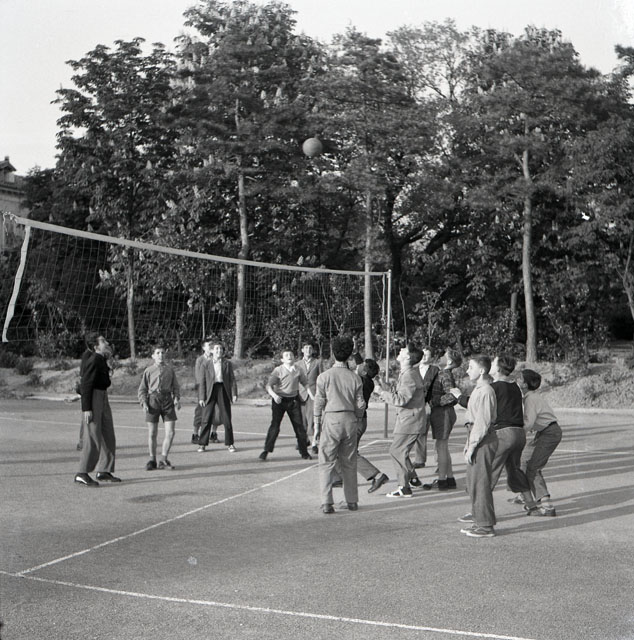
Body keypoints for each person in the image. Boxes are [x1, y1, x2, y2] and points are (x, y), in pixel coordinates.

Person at [313, 336, 366, 514]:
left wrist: (316, 425)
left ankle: (327, 502)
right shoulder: (355, 378)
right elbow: (361, 404)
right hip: (350, 419)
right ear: (349, 355)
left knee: (326, 461)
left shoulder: (324, 377)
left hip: (331, 419)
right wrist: (358, 419)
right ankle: (352, 500)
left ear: (333, 353)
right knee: (349, 462)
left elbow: (318, 402)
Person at [451, 355, 498, 537]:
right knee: (473, 482)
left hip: (483, 439)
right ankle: (479, 520)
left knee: (480, 483)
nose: (467, 370)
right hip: (476, 435)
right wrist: (468, 444)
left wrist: (472, 446)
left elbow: (482, 422)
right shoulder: (478, 389)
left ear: (482, 370)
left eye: (471, 367)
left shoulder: (486, 391)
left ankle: (485, 526)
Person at [376, 343, 426, 498]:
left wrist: (381, 393)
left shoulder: (409, 375)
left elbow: (402, 399)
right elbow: (402, 393)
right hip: (411, 419)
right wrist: (384, 387)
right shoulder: (408, 373)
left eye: (404, 350)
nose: (401, 350)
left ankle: (404, 487)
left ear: (408, 357)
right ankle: (413, 478)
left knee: (396, 451)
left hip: (409, 421)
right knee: (401, 451)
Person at [333, 356, 389, 493]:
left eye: (360, 366)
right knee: (341, 450)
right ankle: (339, 478)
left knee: (348, 452)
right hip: (360, 420)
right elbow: (357, 365)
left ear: (363, 371)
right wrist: (355, 351)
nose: (357, 366)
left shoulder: (360, 382)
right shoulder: (365, 380)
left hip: (356, 421)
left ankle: (377, 475)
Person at [514, 369, 563, 516]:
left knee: (533, 467)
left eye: (519, 379)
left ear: (525, 384)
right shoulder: (529, 397)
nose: (516, 380)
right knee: (523, 459)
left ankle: (547, 505)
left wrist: (517, 435)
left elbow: (528, 423)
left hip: (550, 433)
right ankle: (525, 494)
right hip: (543, 432)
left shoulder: (531, 399)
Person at [74, 333, 120, 487]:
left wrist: (109, 367)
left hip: (102, 396)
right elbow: (85, 384)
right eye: (103, 341)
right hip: (93, 398)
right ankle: (82, 473)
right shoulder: (93, 359)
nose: (107, 342)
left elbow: (104, 382)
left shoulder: (101, 359)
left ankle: (104, 470)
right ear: (95, 347)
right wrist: (87, 408)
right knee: (93, 436)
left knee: (108, 435)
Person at [260, 349, 313, 461]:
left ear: (294, 357)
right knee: (275, 426)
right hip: (280, 400)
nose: (289, 356)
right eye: (286, 355)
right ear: (282, 359)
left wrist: (312, 396)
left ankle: (304, 452)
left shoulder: (298, 370)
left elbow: (305, 384)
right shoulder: (278, 370)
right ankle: (266, 450)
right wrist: (274, 396)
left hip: (293, 401)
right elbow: (269, 386)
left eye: (291, 355)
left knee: (299, 427)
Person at [138, 344, 181, 470]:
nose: (160, 355)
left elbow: (175, 387)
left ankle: (163, 459)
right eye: (158, 353)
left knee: (171, 432)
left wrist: (176, 398)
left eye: (162, 353)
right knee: (152, 432)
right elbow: (142, 389)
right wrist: (144, 402)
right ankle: (152, 460)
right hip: (153, 400)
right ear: (153, 356)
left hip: (167, 400)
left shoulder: (170, 370)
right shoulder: (149, 370)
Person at [423, 348, 461, 490]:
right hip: (442, 412)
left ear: (449, 361)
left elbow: (452, 396)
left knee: (441, 447)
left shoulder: (445, 374)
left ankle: (442, 480)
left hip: (443, 412)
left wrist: (434, 402)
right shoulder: (444, 373)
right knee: (443, 446)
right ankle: (449, 478)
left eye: (444, 355)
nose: (440, 357)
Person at [197, 342, 238, 453]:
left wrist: (234, 393)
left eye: (221, 349)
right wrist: (201, 397)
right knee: (206, 418)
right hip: (210, 390)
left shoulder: (227, 363)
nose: (219, 351)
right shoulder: (205, 364)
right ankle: (202, 443)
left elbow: (232, 379)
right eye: (216, 349)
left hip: (222, 389)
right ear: (211, 351)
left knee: (226, 418)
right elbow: (202, 382)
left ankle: (230, 443)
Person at [412, 347, 439, 469]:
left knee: (437, 435)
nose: (424, 357)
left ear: (431, 357)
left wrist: (430, 403)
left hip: (432, 405)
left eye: (427, 355)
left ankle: (439, 462)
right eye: (423, 354)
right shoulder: (414, 370)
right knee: (420, 432)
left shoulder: (435, 370)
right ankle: (420, 459)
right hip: (419, 405)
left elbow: (437, 388)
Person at [297, 342, 325, 451]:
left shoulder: (317, 362)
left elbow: (321, 378)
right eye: (306, 348)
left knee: (313, 419)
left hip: (313, 394)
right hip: (301, 394)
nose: (308, 350)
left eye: (310, 348)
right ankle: (304, 440)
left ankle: (315, 443)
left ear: (312, 350)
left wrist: (320, 393)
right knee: (302, 419)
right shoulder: (297, 364)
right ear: (302, 350)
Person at [191, 341, 220, 445]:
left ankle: (213, 433)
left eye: (212, 345)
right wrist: (202, 392)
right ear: (204, 348)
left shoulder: (216, 359)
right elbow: (199, 377)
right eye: (209, 345)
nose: (211, 347)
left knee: (216, 411)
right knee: (200, 411)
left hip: (214, 388)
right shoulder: (200, 360)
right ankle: (195, 434)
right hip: (204, 388)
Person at [76, 341, 95, 450]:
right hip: (88, 388)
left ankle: (96, 441)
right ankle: (82, 441)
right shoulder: (87, 355)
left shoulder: (93, 355)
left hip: (93, 389)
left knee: (95, 417)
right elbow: (84, 375)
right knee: (86, 417)